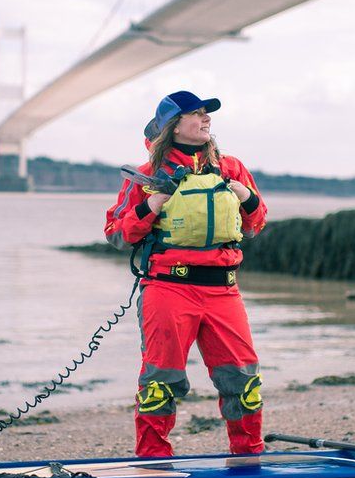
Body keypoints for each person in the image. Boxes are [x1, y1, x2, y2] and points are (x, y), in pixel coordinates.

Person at [104, 90, 268, 457]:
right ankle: (153, 461)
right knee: (160, 383)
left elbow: (256, 223)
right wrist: (152, 203)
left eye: (207, 114)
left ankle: (249, 457)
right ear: (172, 127)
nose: (206, 119)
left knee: (244, 381)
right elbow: (117, 234)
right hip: (168, 290)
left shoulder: (232, 169)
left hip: (224, 291)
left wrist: (248, 198)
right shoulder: (146, 176)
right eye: (196, 114)